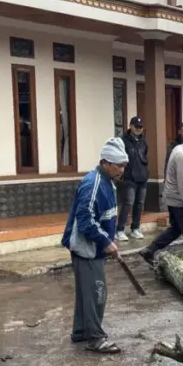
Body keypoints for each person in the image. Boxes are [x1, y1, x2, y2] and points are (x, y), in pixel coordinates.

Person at [63, 137, 129, 354]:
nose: (122, 170)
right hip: (86, 248)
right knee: (96, 292)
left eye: (123, 165)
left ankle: (81, 332)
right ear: (105, 163)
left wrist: (111, 238)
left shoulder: (108, 182)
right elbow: (85, 220)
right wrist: (105, 241)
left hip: (95, 248)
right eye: (118, 165)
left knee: (87, 293)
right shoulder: (93, 184)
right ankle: (95, 338)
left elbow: (106, 217)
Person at [139, 130, 183, 268]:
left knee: (176, 229)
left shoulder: (179, 149)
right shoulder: (182, 156)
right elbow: (182, 185)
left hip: (173, 199)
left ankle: (149, 250)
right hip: (179, 200)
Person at [116, 116, 148, 241]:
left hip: (142, 176)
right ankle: (120, 230)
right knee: (128, 203)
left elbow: (145, 156)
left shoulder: (143, 141)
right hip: (129, 177)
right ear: (130, 126)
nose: (138, 129)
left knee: (139, 204)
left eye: (140, 127)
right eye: (136, 126)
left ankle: (135, 228)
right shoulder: (123, 140)